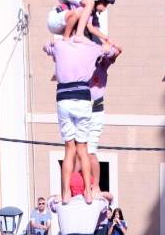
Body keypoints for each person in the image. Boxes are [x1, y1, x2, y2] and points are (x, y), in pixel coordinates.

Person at [44, 38, 119, 204]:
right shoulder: (89, 50)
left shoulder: (76, 51)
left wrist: (61, 42)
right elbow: (113, 50)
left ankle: (80, 190)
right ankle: (83, 191)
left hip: (76, 101)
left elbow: (46, 47)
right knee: (82, 150)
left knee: (76, 149)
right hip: (83, 101)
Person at [88, 37, 122, 193]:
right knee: (78, 150)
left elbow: (117, 50)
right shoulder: (83, 65)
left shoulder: (102, 64)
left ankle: (96, 185)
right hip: (81, 108)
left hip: (95, 109)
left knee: (90, 150)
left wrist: (103, 44)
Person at [48, 0, 117, 42]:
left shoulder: (91, 13)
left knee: (81, 25)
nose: (105, 9)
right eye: (105, 4)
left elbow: (93, 29)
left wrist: (105, 40)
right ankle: (66, 37)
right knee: (79, 12)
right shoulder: (85, 7)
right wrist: (106, 37)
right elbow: (90, 28)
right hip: (55, 19)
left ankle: (65, 39)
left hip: (62, 24)